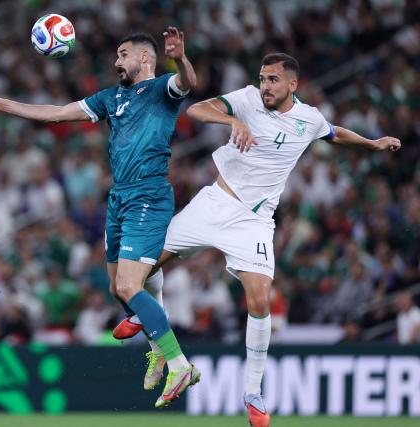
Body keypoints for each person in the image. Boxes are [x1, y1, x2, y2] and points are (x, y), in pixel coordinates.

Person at [113, 52, 401, 426]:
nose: (265, 86)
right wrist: (232, 120)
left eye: (273, 80)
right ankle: (155, 327)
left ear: (292, 84)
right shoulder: (247, 98)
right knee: (145, 263)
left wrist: (373, 143)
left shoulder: (308, 119)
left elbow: (334, 133)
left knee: (261, 298)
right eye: (263, 78)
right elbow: (197, 110)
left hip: (254, 221)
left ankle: (253, 393)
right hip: (215, 201)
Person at [0, 27, 200, 407]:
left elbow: (188, 82)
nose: (116, 61)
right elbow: (58, 114)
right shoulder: (111, 98)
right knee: (117, 288)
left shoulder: (160, 91)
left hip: (148, 195)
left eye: (123, 54)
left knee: (129, 287)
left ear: (145, 58)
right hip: (120, 197)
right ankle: (157, 344)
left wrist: (181, 58)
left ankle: (178, 363)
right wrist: (3, 104)